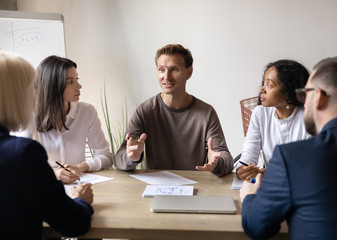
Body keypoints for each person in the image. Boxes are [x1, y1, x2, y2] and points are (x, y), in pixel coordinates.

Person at [240, 56, 337, 239]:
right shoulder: (262, 116)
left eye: (306, 93)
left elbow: (257, 227)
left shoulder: (293, 157)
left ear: (317, 97)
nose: (302, 99)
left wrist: (249, 196)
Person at [0, 51, 94, 239]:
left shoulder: (86, 111)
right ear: (15, 97)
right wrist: (81, 201)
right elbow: (73, 223)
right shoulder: (22, 153)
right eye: (31, 89)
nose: (37, 95)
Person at [115, 44, 233, 177]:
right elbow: (120, 157)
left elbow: (227, 159)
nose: (166, 76)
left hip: (196, 189)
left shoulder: (206, 113)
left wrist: (217, 163)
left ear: (189, 72)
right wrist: (131, 157)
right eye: (161, 70)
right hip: (156, 189)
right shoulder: (145, 110)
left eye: (174, 69)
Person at [29, 56, 113, 184]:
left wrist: (80, 167)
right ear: (52, 86)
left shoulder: (87, 112)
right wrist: (53, 173)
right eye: (70, 82)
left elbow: (106, 157)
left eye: (77, 79)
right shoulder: (29, 118)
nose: (79, 86)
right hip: (44, 188)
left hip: (79, 186)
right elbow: (22, 165)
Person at [236, 60, 310, 180]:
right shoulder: (260, 113)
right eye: (263, 83)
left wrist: (274, 175)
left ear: (288, 91)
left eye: (269, 85)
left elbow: (309, 165)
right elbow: (250, 150)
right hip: (271, 184)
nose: (262, 90)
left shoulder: (308, 119)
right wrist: (243, 169)